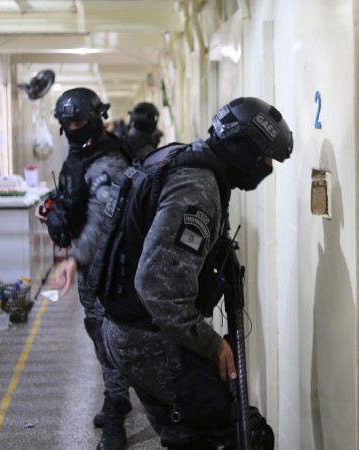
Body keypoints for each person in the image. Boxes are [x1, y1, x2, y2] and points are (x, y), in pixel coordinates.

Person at [88, 97, 293, 449]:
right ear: (242, 148)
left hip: (127, 328)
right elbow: (157, 288)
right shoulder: (196, 187)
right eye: (264, 157)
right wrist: (211, 344)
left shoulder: (180, 159)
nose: (267, 167)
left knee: (185, 436)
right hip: (148, 338)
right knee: (249, 434)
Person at [35, 87, 133, 450]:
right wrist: (51, 206)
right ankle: (118, 396)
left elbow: (101, 221)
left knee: (109, 334)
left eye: (79, 121)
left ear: (95, 120)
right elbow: (74, 196)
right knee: (97, 329)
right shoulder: (83, 153)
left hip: (109, 264)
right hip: (91, 263)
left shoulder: (108, 162)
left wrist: (74, 260)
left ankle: (115, 411)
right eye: (67, 123)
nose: (73, 128)